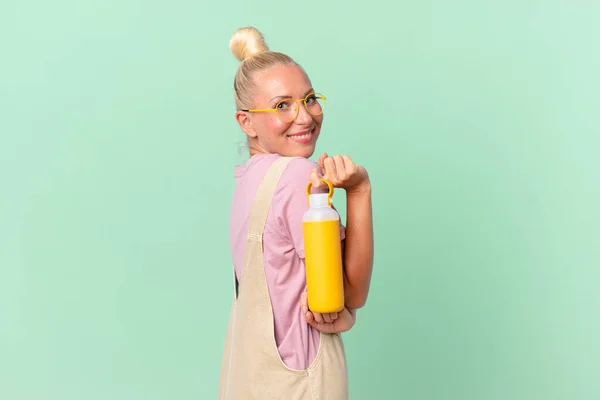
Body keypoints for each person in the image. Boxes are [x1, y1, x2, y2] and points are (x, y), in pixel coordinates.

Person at [219, 26, 374, 400]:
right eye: (281, 106)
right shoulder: (296, 176)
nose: (304, 117)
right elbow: (350, 294)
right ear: (246, 122)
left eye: (309, 99)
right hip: (300, 378)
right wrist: (359, 191)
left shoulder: (249, 181)